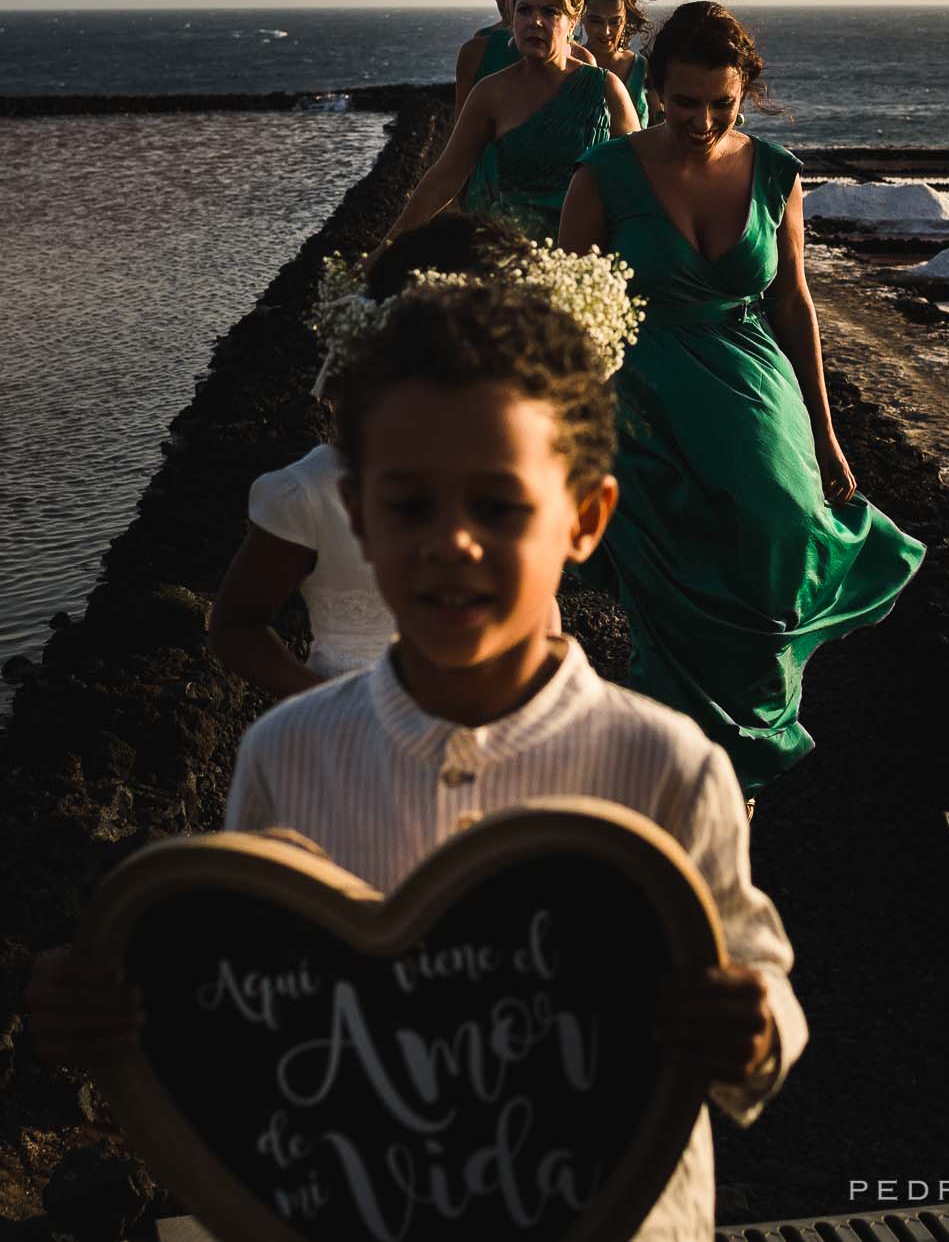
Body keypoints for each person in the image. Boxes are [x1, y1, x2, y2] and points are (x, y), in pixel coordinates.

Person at [29, 283, 804, 1242]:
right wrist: (117, 1016)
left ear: (586, 517)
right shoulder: (291, 751)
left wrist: (751, 1024)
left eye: (500, 503)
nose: (451, 542)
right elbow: (252, 986)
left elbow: (753, 975)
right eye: (408, 505)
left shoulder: (664, 764)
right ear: (356, 513)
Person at [559, 2, 924, 790]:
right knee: (671, 593)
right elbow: (565, 312)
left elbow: (792, 301)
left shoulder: (776, 172)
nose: (700, 119)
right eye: (683, 101)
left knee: (780, 549)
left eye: (720, 104)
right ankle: (676, 782)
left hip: (753, 387)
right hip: (639, 402)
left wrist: (824, 433)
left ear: (744, 93)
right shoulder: (602, 177)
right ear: (651, 86)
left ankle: (746, 760)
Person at [207, 215, 534, 696]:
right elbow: (236, 626)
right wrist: (326, 706)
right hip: (355, 748)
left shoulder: (522, 475)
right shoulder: (316, 491)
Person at [393, 0, 638, 243]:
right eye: (524, 10)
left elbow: (640, 181)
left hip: (587, 258)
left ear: (573, 21)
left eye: (550, 12)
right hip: (513, 256)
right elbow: (444, 178)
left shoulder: (605, 89)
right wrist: (384, 251)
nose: (535, 21)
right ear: (512, 15)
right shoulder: (491, 93)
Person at [454, 0, 596, 114]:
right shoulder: (476, 54)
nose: (535, 21)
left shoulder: (585, 64)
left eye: (550, 11)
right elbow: (462, 129)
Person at [581, 0, 660, 127]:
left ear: (627, 19)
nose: (605, 31)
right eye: (596, 21)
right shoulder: (568, 65)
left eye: (615, 21)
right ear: (580, 16)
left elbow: (659, 127)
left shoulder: (642, 69)